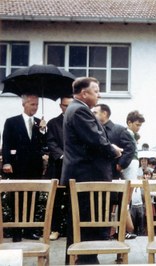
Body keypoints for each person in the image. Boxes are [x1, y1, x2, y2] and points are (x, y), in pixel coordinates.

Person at [61, 77, 122, 265]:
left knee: (81, 226)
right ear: (84, 93)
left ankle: (80, 260)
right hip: (86, 178)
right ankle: (85, 261)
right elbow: (95, 141)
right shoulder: (79, 110)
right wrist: (114, 149)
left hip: (82, 176)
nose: (99, 94)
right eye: (96, 91)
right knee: (87, 225)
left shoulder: (76, 109)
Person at [2, 94, 47, 242]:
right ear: (24, 104)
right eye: (32, 104)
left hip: (34, 167)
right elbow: (6, 144)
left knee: (33, 198)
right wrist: (6, 163)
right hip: (17, 166)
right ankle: (16, 232)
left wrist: (42, 131)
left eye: (37, 105)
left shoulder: (39, 123)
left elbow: (43, 145)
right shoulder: (11, 122)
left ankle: (29, 230)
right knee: (16, 198)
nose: (35, 108)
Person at [93, 103, 136, 239]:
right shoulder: (94, 129)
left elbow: (130, 148)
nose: (92, 114)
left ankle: (116, 231)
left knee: (113, 204)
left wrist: (120, 165)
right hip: (97, 174)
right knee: (100, 203)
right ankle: (102, 232)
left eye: (95, 112)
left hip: (113, 174)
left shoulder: (119, 130)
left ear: (104, 113)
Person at [46, 95, 73, 241]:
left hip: (74, 168)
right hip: (57, 167)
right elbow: (51, 143)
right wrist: (62, 156)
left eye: (70, 105)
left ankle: (71, 229)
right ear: (60, 106)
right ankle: (55, 229)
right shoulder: (53, 123)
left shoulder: (78, 122)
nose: (67, 108)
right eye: (64, 105)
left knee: (72, 199)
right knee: (56, 200)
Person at [122, 110, 145, 181]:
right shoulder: (125, 133)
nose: (139, 128)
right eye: (137, 125)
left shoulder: (133, 134)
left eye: (140, 125)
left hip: (132, 160)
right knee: (131, 183)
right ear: (129, 123)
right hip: (130, 160)